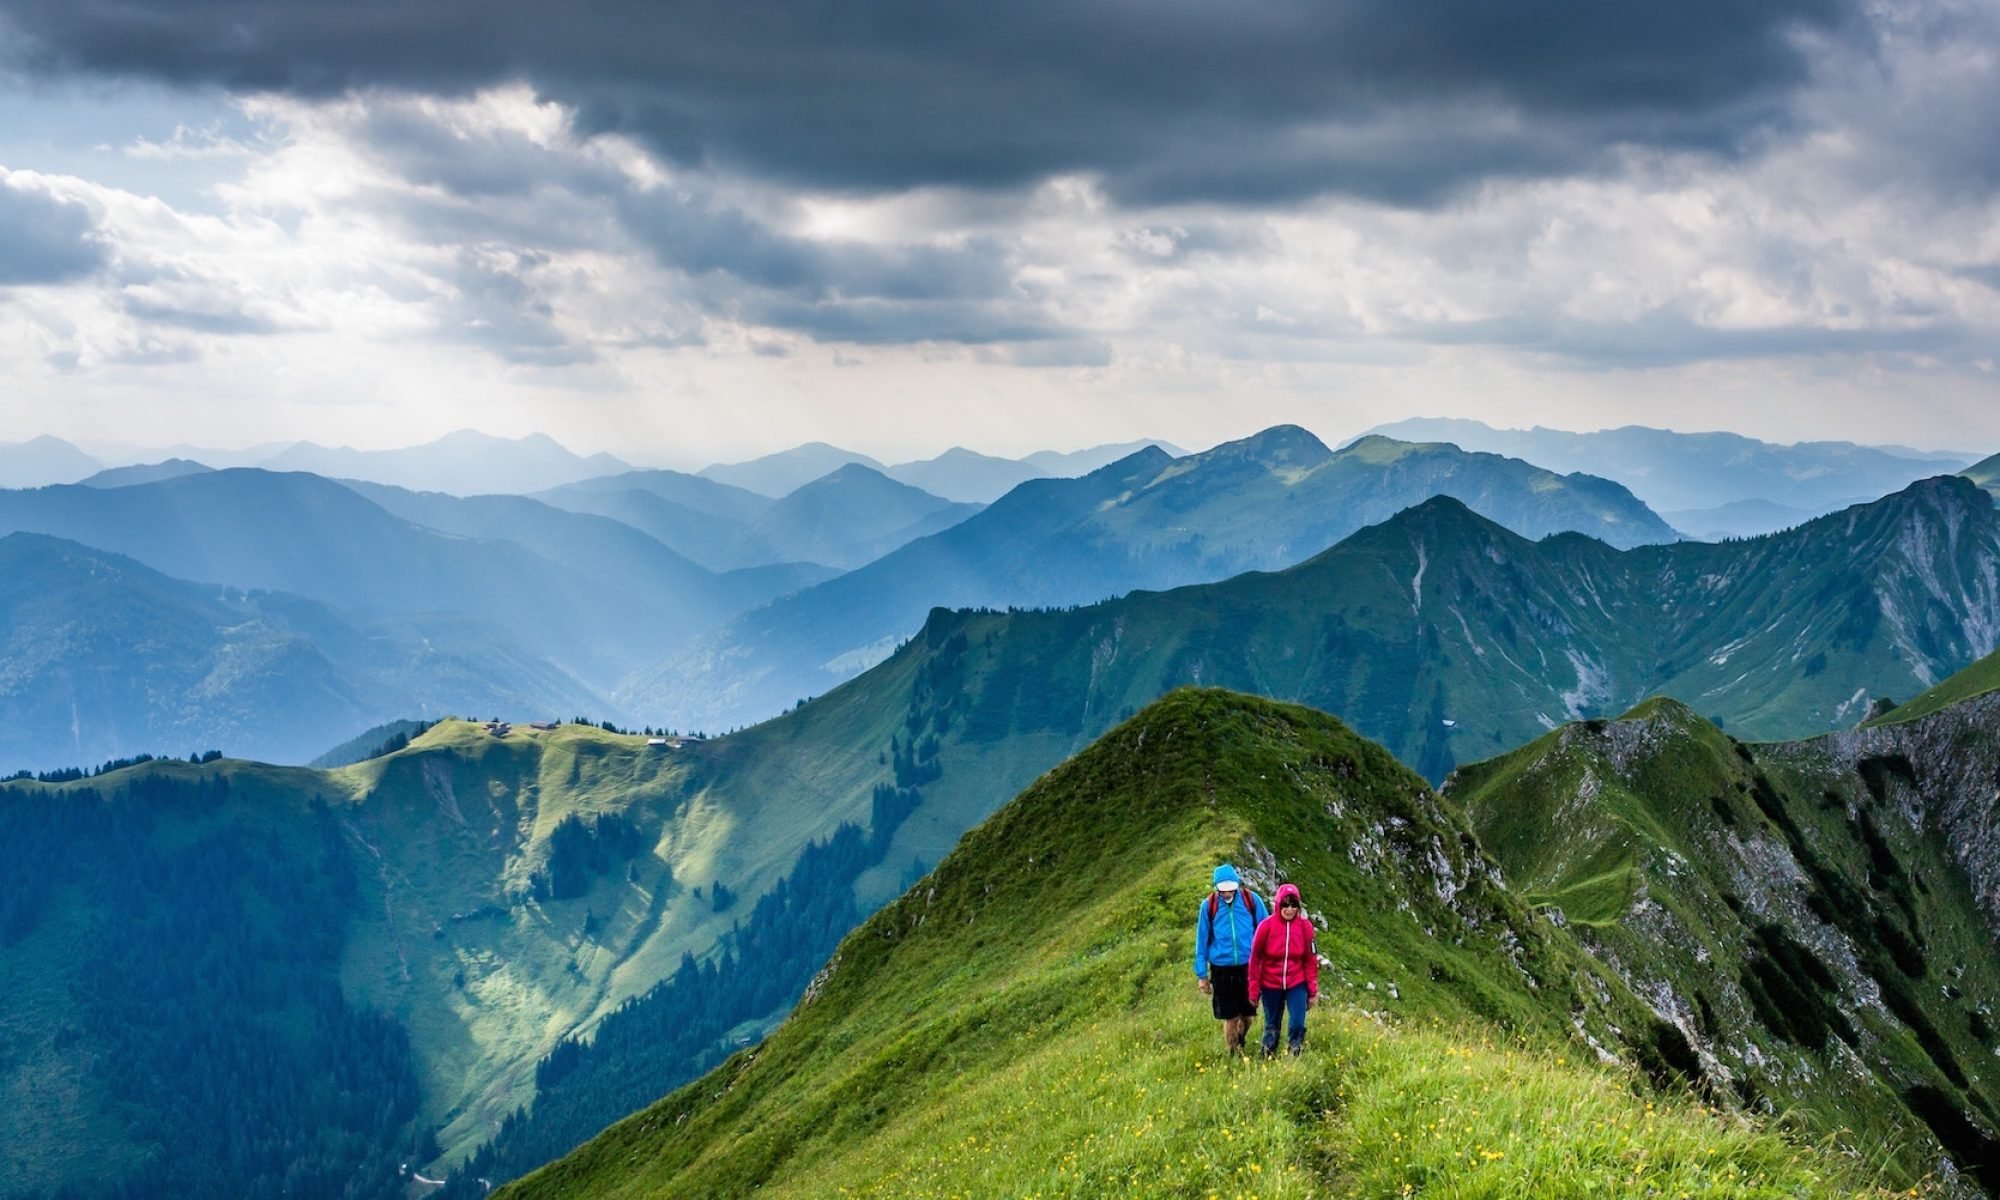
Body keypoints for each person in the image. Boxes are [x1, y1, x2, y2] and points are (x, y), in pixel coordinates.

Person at [1193, 864, 1267, 1056]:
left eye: (1231, 889)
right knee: (1231, 1017)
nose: (1227, 893)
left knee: (1248, 1015)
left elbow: (1266, 931)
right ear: (1216, 887)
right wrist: (1202, 975)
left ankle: (1241, 1040)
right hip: (1222, 970)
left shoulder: (1252, 901)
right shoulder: (1208, 906)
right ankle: (1232, 1053)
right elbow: (1201, 941)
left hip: (1248, 968)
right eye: (1223, 890)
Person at [1246, 882, 1319, 1057]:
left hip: (1296, 983)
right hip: (1270, 983)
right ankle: (1267, 1056)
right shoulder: (1266, 927)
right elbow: (1254, 960)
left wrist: (1312, 991)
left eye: (1293, 904)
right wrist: (1253, 992)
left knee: (1297, 1024)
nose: (1289, 909)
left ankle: (1295, 1052)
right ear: (1278, 905)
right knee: (1272, 1025)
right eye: (1285, 904)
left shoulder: (1306, 928)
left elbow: (1310, 960)